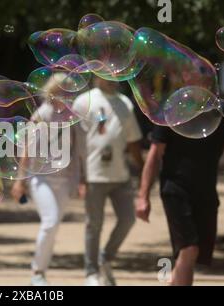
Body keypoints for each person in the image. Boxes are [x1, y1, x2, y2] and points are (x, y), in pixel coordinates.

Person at [136, 120, 224, 286]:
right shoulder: (170, 114)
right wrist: (143, 196)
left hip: (206, 194)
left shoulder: (222, 119)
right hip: (175, 190)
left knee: (189, 257)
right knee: (189, 249)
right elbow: (155, 155)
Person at [73, 77, 144, 286]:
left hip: (120, 174)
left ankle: (106, 257)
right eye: (107, 74)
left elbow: (133, 140)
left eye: (115, 74)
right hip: (94, 173)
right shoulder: (83, 101)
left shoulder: (125, 102)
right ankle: (91, 272)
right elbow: (77, 142)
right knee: (94, 225)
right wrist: (80, 175)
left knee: (128, 219)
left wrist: (142, 168)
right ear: (96, 76)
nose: (113, 78)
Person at [11, 74, 77, 286]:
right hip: (41, 179)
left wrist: (79, 179)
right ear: (52, 91)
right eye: (62, 90)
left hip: (64, 180)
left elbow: (76, 151)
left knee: (54, 225)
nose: (66, 95)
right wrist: (20, 180)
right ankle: (37, 272)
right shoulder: (41, 114)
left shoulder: (71, 116)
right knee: (50, 222)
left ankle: (41, 271)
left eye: (68, 90)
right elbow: (27, 151)